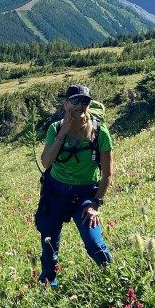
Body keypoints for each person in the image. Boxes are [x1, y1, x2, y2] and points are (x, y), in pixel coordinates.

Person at [36, 84, 114, 284]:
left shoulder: (99, 132)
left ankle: (115, 279)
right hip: (55, 193)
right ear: (66, 104)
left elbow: (107, 175)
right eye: (75, 100)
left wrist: (95, 204)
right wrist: (64, 133)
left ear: (89, 104)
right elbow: (46, 162)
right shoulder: (55, 128)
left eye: (84, 101)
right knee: (49, 246)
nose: (80, 105)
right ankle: (48, 287)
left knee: (94, 243)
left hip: (85, 195)